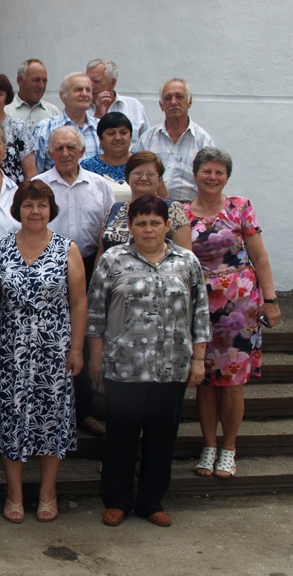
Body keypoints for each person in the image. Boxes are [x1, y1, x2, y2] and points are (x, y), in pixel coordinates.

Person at [88, 195, 210, 528]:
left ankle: (151, 502)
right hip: (123, 366)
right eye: (141, 223)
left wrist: (199, 359)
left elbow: (200, 312)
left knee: (162, 437)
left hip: (171, 365)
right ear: (130, 227)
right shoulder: (112, 260)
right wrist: (96, 357)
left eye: (155, 222)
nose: (148, 229)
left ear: (168, 225)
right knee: (121, 436)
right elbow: (95, 313)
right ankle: (117, 501)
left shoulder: (186, 261)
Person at [0, 179, 87, 523]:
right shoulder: (0, 247)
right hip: (10, 347)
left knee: (50, 418)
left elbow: (79, 302)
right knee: (11, 416)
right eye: (28, 205)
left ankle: (47, 493)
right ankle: (14, 493)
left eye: (41, 205)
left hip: (53, 350)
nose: (35, 211)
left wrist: (77, 348)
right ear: (18, 210)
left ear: (51, 210)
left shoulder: (67, 249)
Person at [184, 148, 281, 479]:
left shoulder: (240, 207)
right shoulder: (182, 213)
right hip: (199, 307)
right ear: (195, 174)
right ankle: (208, 446)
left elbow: (260, 257)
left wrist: (270, 299)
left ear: (226, 177)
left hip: (241, 307)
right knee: (204, 380)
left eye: (219, 172)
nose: (212, 177)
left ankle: (229, 449)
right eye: (206, 171)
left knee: (232, 382)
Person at [36, 126, 114, 438]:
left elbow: (108, 228)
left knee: (85, 336)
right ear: (49, 153)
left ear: (82, 151)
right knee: (54, 337)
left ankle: (83, 411)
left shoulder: (100, 185)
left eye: (71, 147)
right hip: (49, 266)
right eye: (59, 148)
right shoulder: (38, 185)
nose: (65, 153)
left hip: (91, 263)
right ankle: (52, 408)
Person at [98, 150, 191, 255]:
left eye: (150, 174)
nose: (143, 178)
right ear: (127, 178)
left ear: (159, 179)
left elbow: (185, 255)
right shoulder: (114, 209)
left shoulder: (172, 208)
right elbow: (101, 254)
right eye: (138, 173)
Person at [136, 79, 214, 202]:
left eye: (179, 97)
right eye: (168, 98)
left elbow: (210, 180)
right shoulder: (147, 139)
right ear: (161, 105)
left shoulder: (203, 140)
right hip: (151, 206)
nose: (173, 102)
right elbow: (134, 173)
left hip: (189, 207)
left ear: (190, 102)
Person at [33, 73, 100, 174]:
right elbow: (35, 173)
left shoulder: (100, 128)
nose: (84, 94)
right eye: (78, 89)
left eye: (88, 90)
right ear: (63, 96)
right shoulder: (44, 128)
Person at [85, 59, 150, 149]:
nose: (91, 86)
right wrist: (97, 117)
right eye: (88, 81)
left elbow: (147, 142)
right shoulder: (81, 109)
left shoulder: (134, 106)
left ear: (112, 83)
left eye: (97, 81)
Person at [80, 112, 134, 200]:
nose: (118, 138)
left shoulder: (142, 163)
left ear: (130, 137)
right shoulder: (87, 167)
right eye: (111, 133)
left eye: (123, 133)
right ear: (100, 139)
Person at [4, 59, 61, 131]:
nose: (41, 85)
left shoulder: (54, 113)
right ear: (20, 80)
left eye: (44, 81)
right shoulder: (5, 112)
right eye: (36, 80)